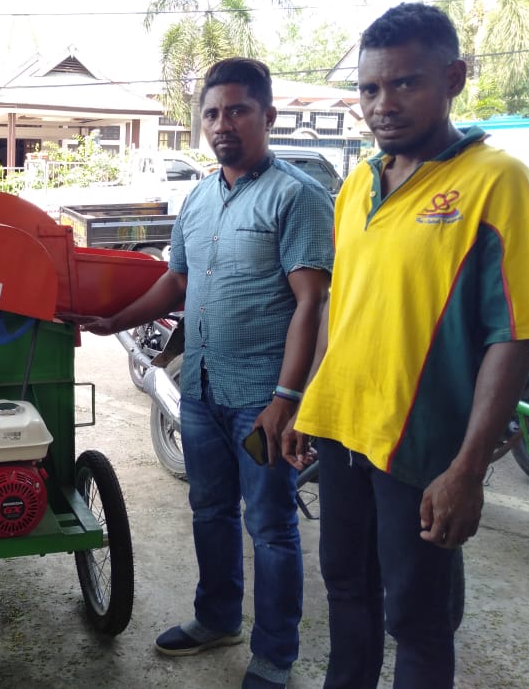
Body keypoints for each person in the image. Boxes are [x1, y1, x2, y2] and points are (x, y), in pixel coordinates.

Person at [284, 3, 529, 688]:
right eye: (370, 89)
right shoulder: (357, 185)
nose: (383, 104)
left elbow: (515, 333)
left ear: (453, 78)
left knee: (420, 622)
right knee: (346, 596)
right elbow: (347, 308)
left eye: (405, 83)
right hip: (342, 437)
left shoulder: (497, 181)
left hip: (422, 450)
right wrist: (310, 404)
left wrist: (468, 470)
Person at [66, 58, 334, 689]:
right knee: (209, 509)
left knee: (270, 528)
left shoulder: (297, 195)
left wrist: (287, 400)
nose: (223, 124)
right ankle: (216, 618)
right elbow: (177, 282)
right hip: (202, 388)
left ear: (268, 117)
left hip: (262, 398)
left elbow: (310, 304)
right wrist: (115, 320)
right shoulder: (197, 198)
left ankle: (275, 656)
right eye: (212, 113)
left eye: (238, 110)